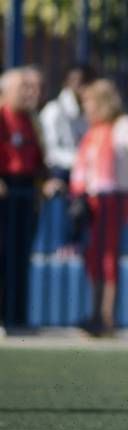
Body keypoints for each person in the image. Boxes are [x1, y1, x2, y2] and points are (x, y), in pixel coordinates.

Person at [71, 79, 128, 336]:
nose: (86, 109)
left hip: (113, 198)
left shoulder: (122, 126)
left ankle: (106, 316)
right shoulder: (93, 130)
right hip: (92, 201)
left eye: (90, 102)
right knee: (94, 256)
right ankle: (95, 313)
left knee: (107, 257)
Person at [0, 68, 45, 329]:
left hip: (26, 193)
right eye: (23, 88)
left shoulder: (32, 121)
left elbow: (39, 158)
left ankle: (17, 317)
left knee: (20, 256)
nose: (30, 93)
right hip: (6, 192)